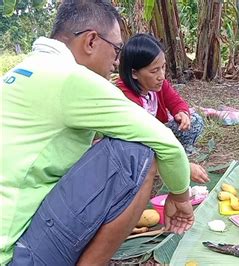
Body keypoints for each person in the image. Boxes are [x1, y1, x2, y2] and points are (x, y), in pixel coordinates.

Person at [0, 1, 194, 265]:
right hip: (15, 252)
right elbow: (166, 143)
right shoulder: (71, 78)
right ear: (91, 41)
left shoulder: (21, 72)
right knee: (138, 152)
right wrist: (181, 197)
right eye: (116, 50)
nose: (116, 62)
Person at [116, 33, 209, 184]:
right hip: (138, 144)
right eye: (154, 71)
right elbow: (144, 137)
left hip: (156, 134)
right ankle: (159, 166)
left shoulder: (157, 84)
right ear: (134, 73)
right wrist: (183, 166)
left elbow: (176, 101)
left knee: (195, 121)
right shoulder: (126, 98)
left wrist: (181, 113)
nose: (161, 76)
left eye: (163, 67)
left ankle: (171, 159)